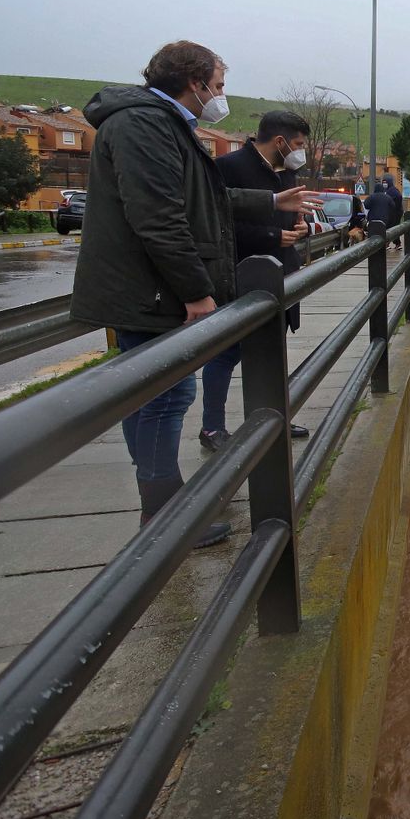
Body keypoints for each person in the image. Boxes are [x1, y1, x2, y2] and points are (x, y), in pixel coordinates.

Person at [70, 40, 317, 548]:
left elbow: (202, 196)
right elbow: (158, 217)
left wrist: (270, 199)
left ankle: (160, 508)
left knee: (147, 395)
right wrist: (197, 293)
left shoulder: (160, 124)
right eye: (218, 86)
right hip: (151, 291)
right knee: (166, 395)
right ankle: (165, 518)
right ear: (194, 82)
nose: (220, 96)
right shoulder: (144, 125)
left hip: (150, 289)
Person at [201, 111, 315, 451]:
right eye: (297, 144)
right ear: (279, 141)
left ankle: (272, 417)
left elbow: (291, 217)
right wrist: (271, 235)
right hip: (242, 274)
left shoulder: (289, 172)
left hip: (281, 274)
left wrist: (300, 230)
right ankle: (211, 428)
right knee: (227, 352)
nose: (301, 152)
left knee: (272, 350)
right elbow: (219, 224)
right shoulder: (229, 168)